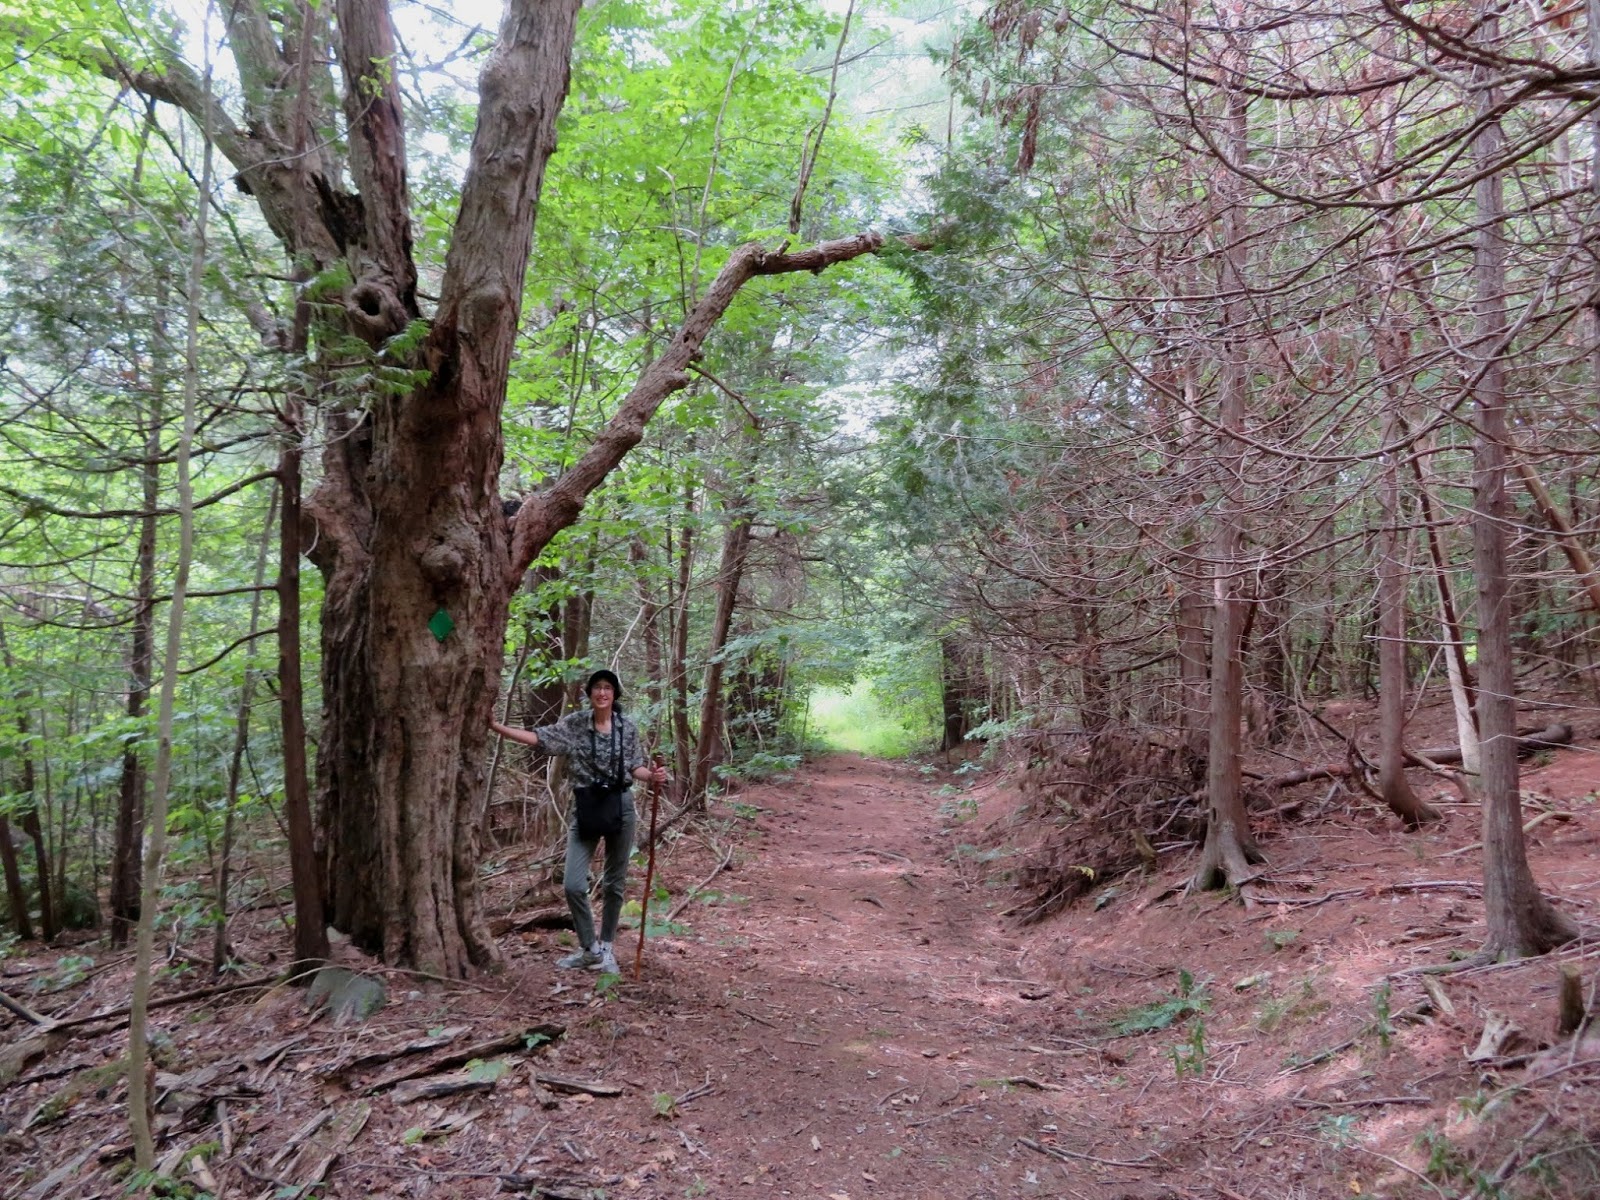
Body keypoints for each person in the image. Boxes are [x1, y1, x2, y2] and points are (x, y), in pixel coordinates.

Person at [491, 669, 668, 974]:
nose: (602, 693)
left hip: (620, 806)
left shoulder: (626, 728)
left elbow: (635, 766)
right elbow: (539, 738)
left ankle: (607, 948)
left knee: (614, 882)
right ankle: (590, 949)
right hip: (587, 806)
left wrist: (652, 777)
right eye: (597, 687)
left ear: (615, 694)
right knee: (573, 884)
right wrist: (496, 727)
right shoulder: (575, 725)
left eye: (608, 687)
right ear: (589, 693)